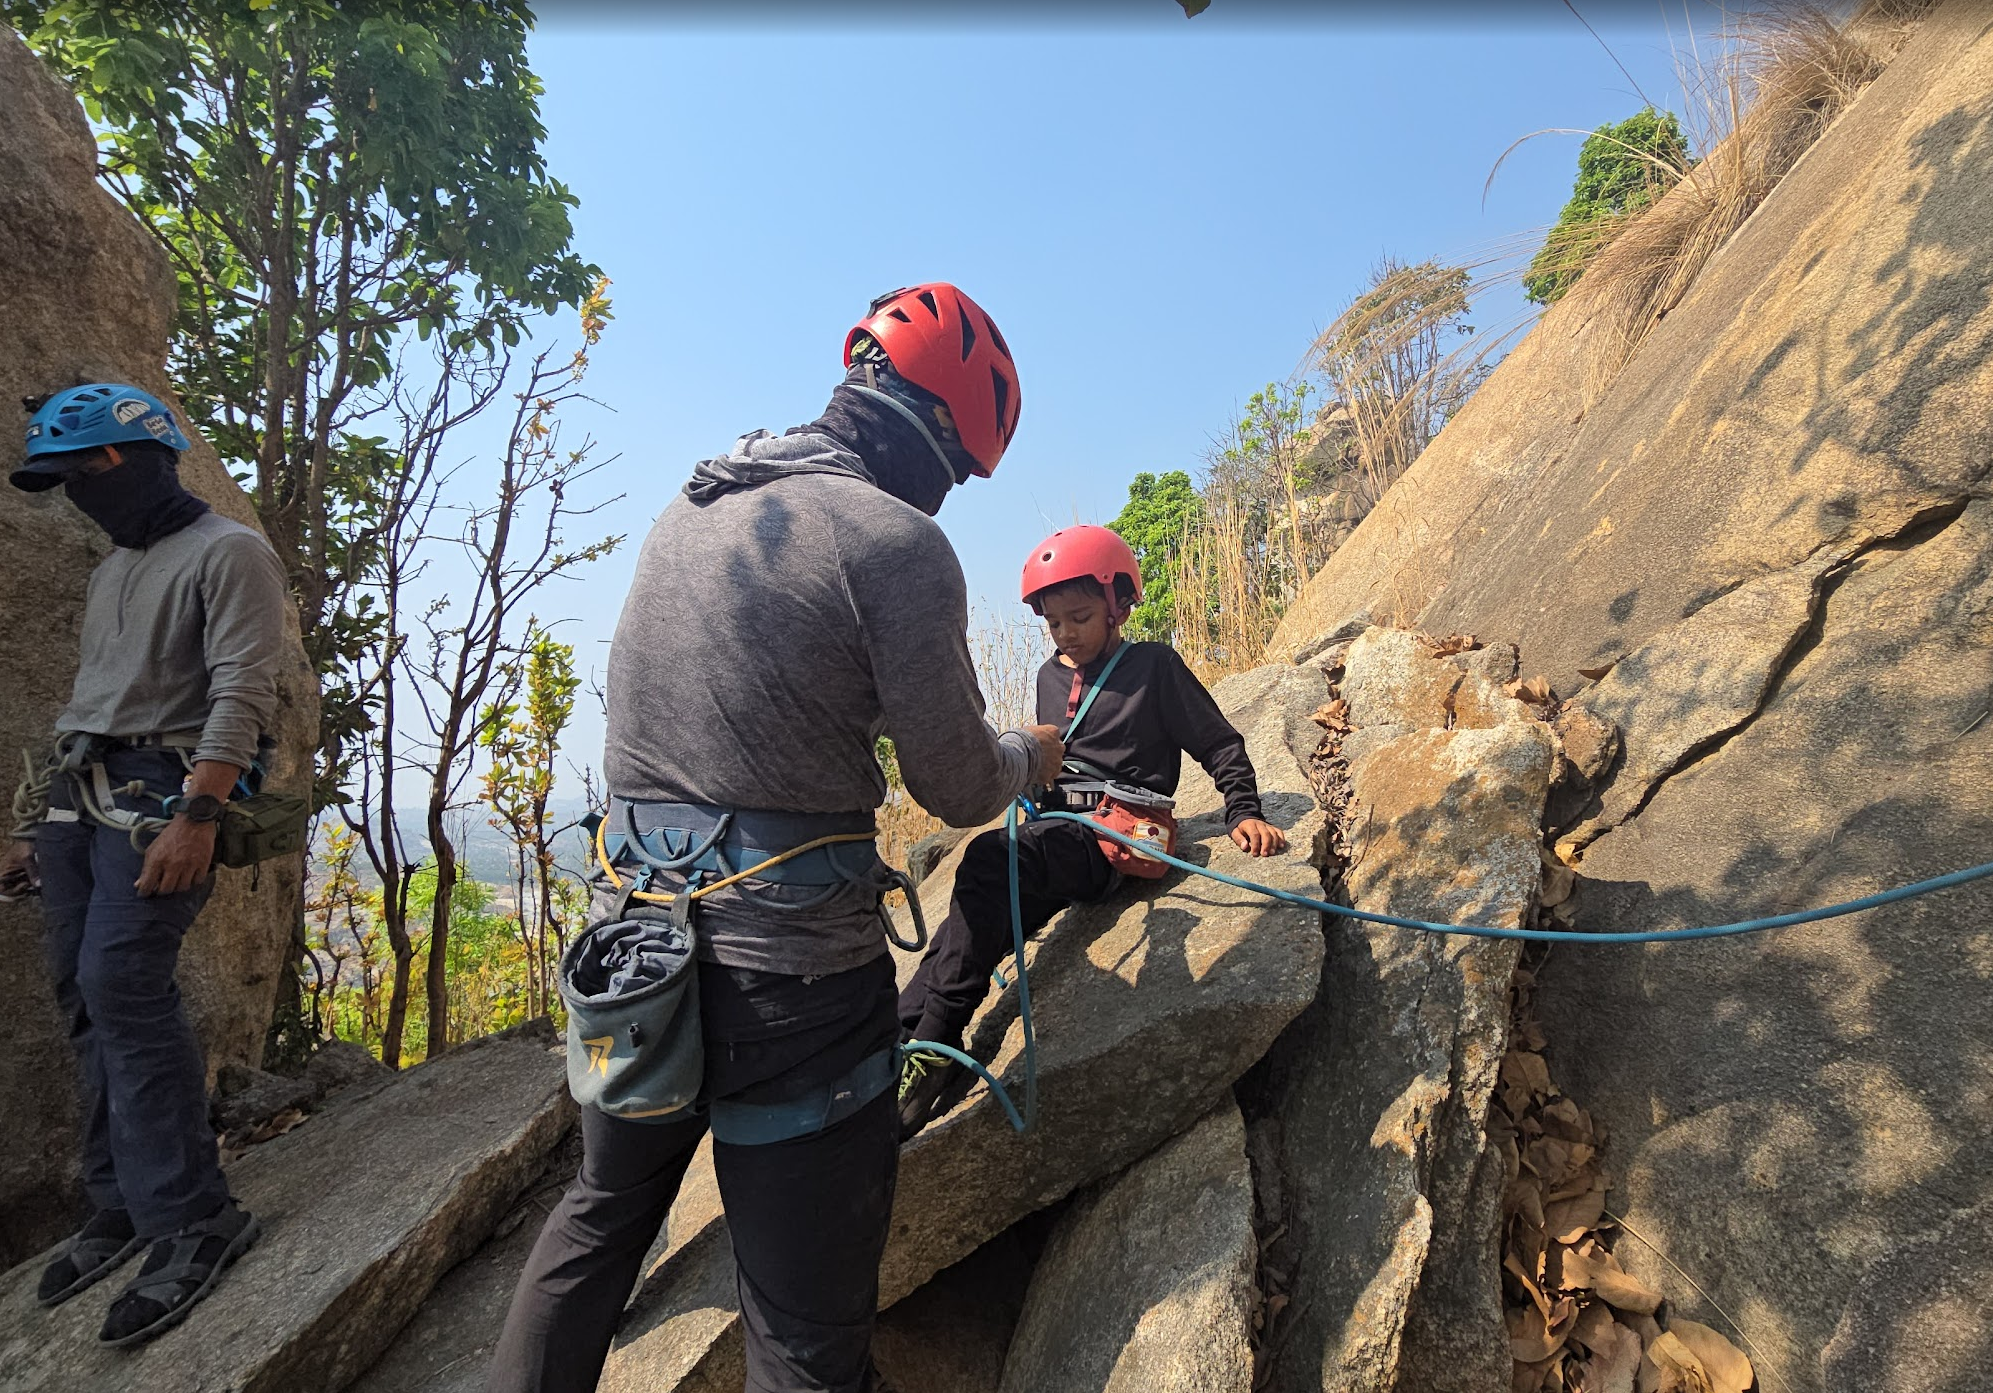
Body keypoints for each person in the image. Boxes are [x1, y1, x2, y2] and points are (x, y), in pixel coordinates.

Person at [487, 283, 1061, 1393]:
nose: (946, 500)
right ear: (941, 434)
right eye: (958, 475)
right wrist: (1030, 754)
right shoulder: (893, 539)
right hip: (787, 985)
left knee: (602, 1214)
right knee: (803, 1340)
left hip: (633, 952)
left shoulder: (691, 508)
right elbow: (953, 783)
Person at [2, 383, 289, 1345]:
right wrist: (27, 821)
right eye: (65, 480)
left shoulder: (229, 551)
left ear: (151, 454)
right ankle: (120, 1200)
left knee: (122, 982)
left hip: (160, 797)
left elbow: (245, 687)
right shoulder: (114, 569)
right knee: (79, 996)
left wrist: (201, 813)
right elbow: (87, 702)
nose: (81, 491)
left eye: (91, 469)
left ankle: (194, 1214)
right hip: (79, 796)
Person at [895, 523, 1289, 1138]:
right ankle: (902, 1031)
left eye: (1079, 617)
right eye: (1053, 623)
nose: (1065, 634)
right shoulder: (1049, 677)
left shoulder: (1154, 667)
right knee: (972, 916)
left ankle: (936, 1046)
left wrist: (1244, 810)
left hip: (1117, 838)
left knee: (987, 863)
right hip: (1059, 833)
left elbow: (1219, 742)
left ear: (1118, 605)